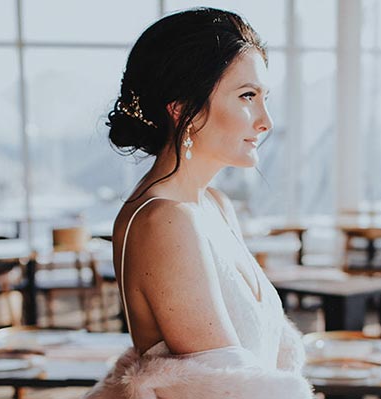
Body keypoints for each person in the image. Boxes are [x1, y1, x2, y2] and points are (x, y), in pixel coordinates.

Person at [85, 7, 313, 399]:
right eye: (247, 96)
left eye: (264, 97)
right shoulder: (164, 220)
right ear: (182, 108)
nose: (265, 121)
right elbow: (225, 392)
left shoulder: (214, 206)